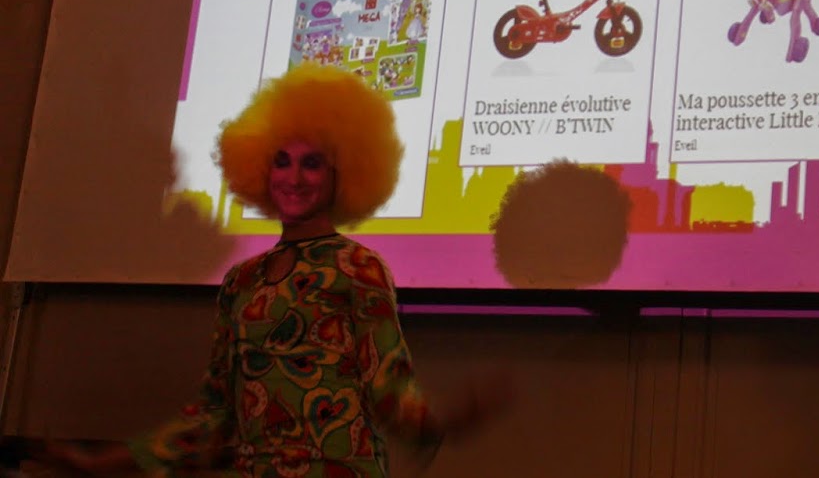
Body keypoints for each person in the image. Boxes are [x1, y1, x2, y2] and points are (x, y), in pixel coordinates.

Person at [42, 65, 510, 476]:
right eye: (281, 161)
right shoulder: (241, 281)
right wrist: (107, 463)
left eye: (312, 164)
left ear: (343, 173)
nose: (294, 178)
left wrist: (447, 422)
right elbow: (211, 415)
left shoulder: (358, 268)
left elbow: (389, 388)